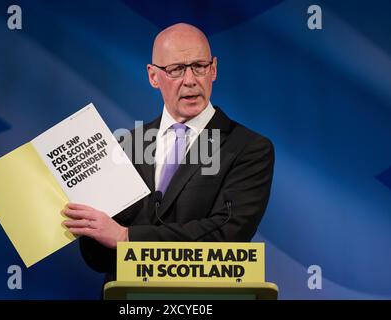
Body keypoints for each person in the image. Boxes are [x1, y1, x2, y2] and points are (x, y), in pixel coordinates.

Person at [63, 23, 274, 283]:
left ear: (214, 69)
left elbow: (228, 235)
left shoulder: (248, 148)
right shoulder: (123, 147)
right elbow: (101, 257)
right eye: (176, 70)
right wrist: (86, 224)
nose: (190, 80)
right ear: (153, 76)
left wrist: (127, 238)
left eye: (199, 66)